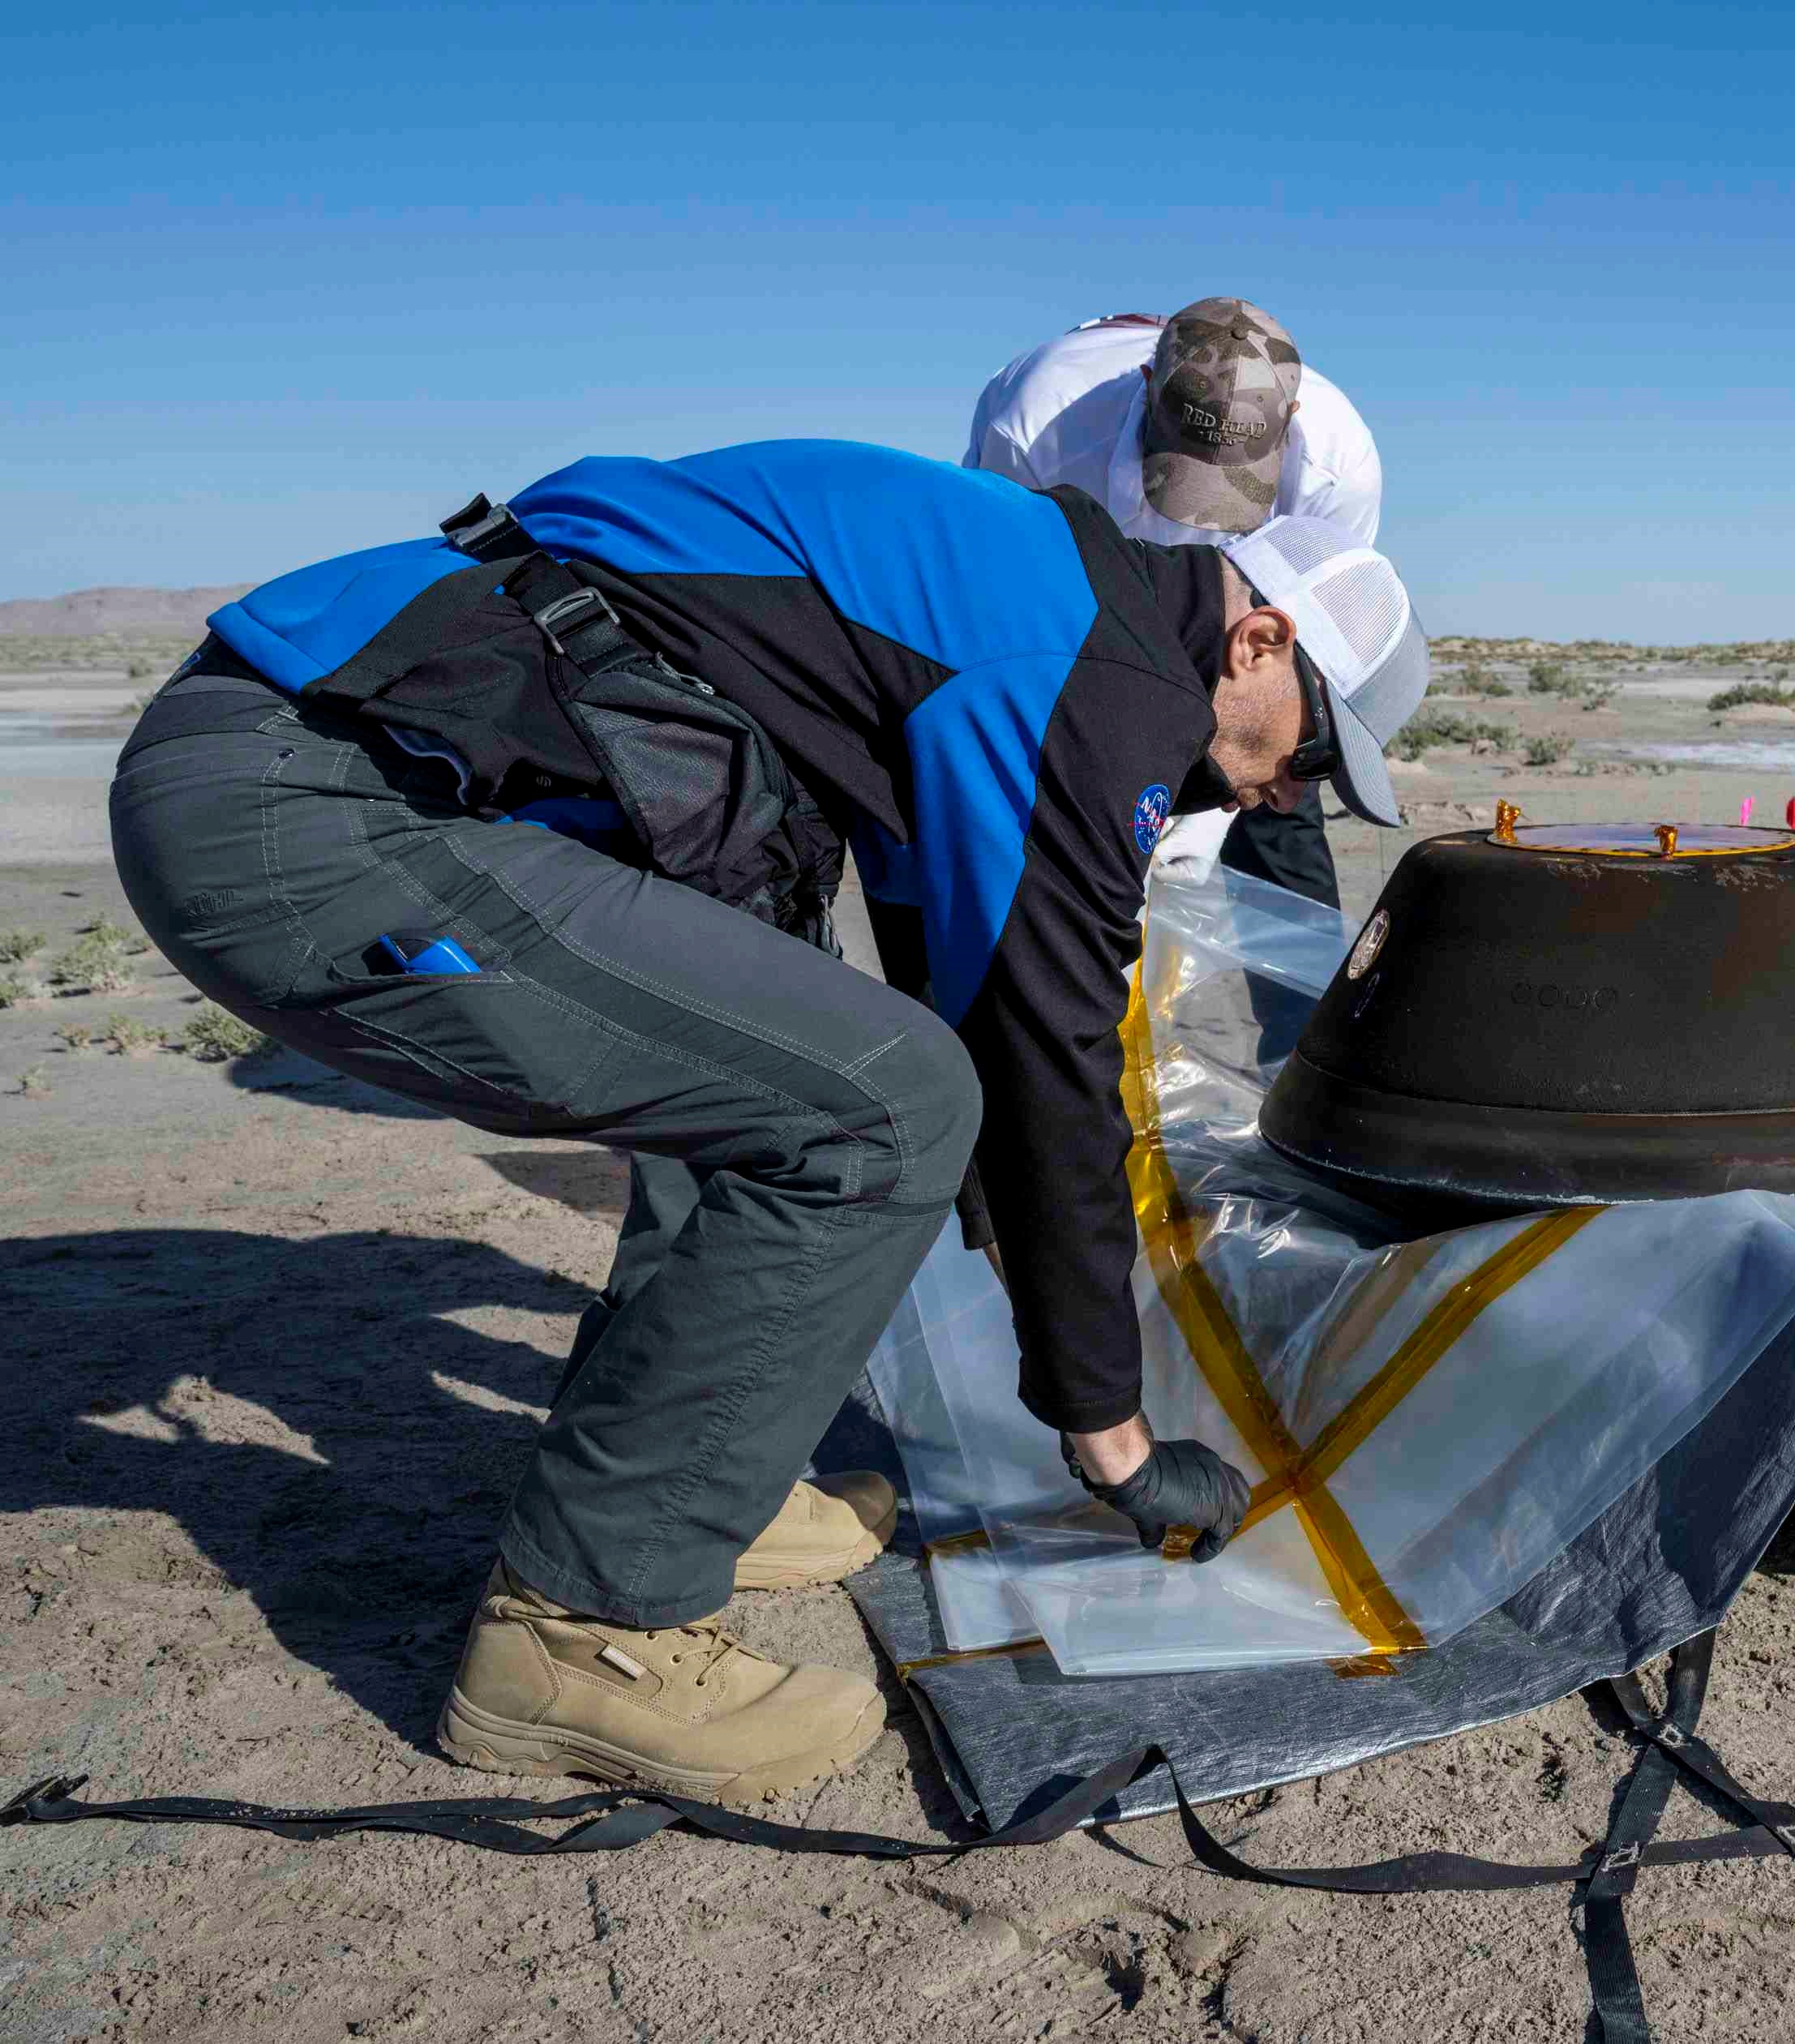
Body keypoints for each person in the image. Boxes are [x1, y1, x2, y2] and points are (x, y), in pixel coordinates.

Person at [109, 441, 1426, 1805]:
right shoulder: (1101, 675)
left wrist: (1003, 1233)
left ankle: (686, 1476)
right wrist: (1109, 1433)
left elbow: (961, 973)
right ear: (1256, 638)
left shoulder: (1043, 590)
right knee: (884, 1105)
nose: (1290, 796)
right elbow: (1042, 1052)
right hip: (316, 805)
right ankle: (585, 1626)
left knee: (791, 1048)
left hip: (325, 752)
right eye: (1312, 750)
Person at [966, 299, 1382, 941]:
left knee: (1282, 801)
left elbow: (1309, 663)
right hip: (1078, 624)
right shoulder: (1035, 423)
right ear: (1144, 383)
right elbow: (1007, 613)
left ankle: (1300, 1036)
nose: (1200, 515)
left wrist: (1210, 809)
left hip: (1243, 656)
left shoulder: (1338, 466)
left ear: (1290, 423)